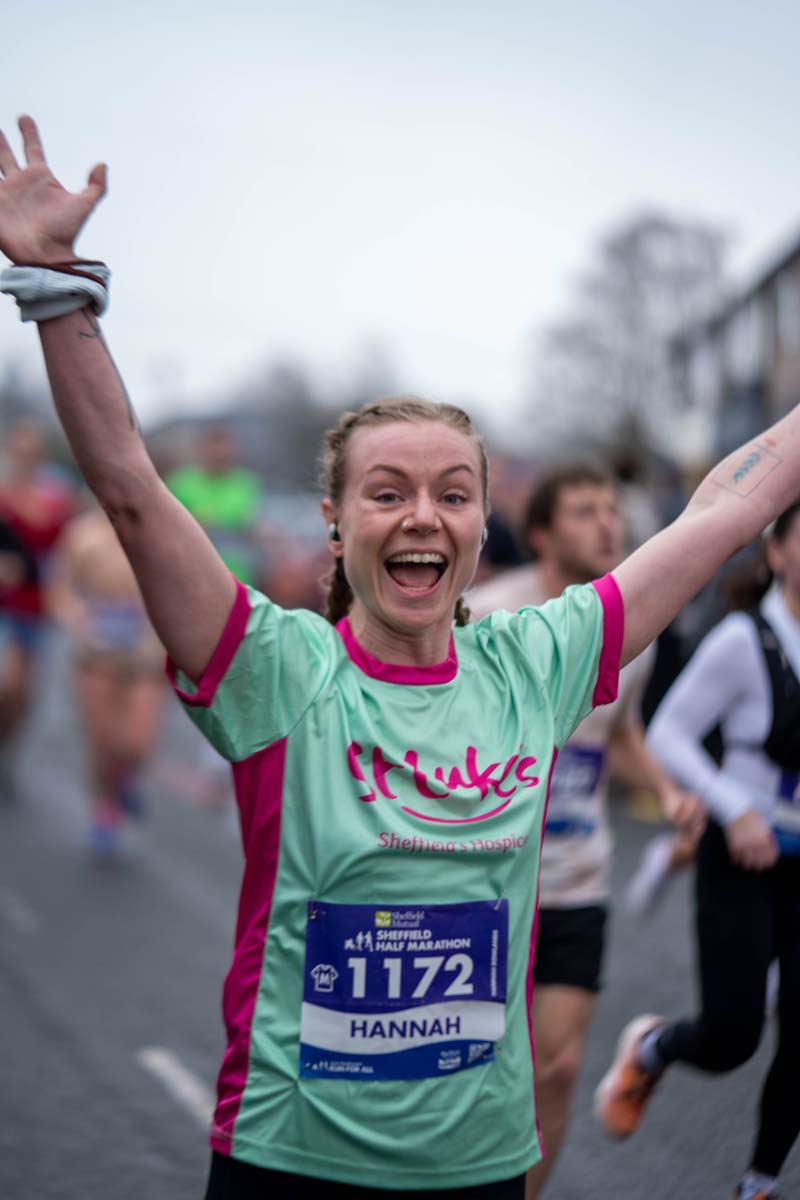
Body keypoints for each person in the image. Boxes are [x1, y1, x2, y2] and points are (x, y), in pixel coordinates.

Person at [1, 115, 800, 1198]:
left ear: (479, 530)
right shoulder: (275, 670)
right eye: (387, 493)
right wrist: (54, 288)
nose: (421, 515)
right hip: (289, 1158)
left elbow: (719, 511)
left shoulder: (537, 661)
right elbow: (134, 493)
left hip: (479, 1166)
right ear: (335, 525)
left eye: (452, 494)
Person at [469, 464, 703, 1198]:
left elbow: (618, 734)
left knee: (558, 1067)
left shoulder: (627, 632)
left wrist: (668, 791)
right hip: (482, 885)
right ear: (540, 532)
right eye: (584, 511)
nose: (608, 525)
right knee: (470, 1073)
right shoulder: (482, 618)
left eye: (612, 510)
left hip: (575, 880)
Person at [596, 504, 800, 1200]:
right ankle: (655, 1047)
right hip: (742, 853)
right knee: (733, 1035)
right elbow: (668, 734)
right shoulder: (744, 640)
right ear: (777, 552)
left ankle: (759, 1183)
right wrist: (732, 810)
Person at [47, 503, 166, 854]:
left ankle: (125, 777)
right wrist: (79, 622)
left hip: (144, 651)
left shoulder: (155, 530)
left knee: (136, 743)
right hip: (96, 651)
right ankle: (105, 810)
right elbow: (60, 587)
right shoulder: (83, 534)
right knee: (103, 739)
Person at [0, 417, 74, 776]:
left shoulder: (55, 499)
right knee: (7, 684)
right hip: (4, 605)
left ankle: (7, 750)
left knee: (22, 694)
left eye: (32, 452)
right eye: (19, 450)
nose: (25, 457)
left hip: (34, 605)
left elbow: (65, 552)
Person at [166, 425, 263, 586]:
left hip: (239, 577)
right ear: (203, 449)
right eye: (215, 447)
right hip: (194, 576)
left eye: (225, 447)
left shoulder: (245, 483)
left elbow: (252, 527)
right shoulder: (182, 483)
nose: (221, 454)